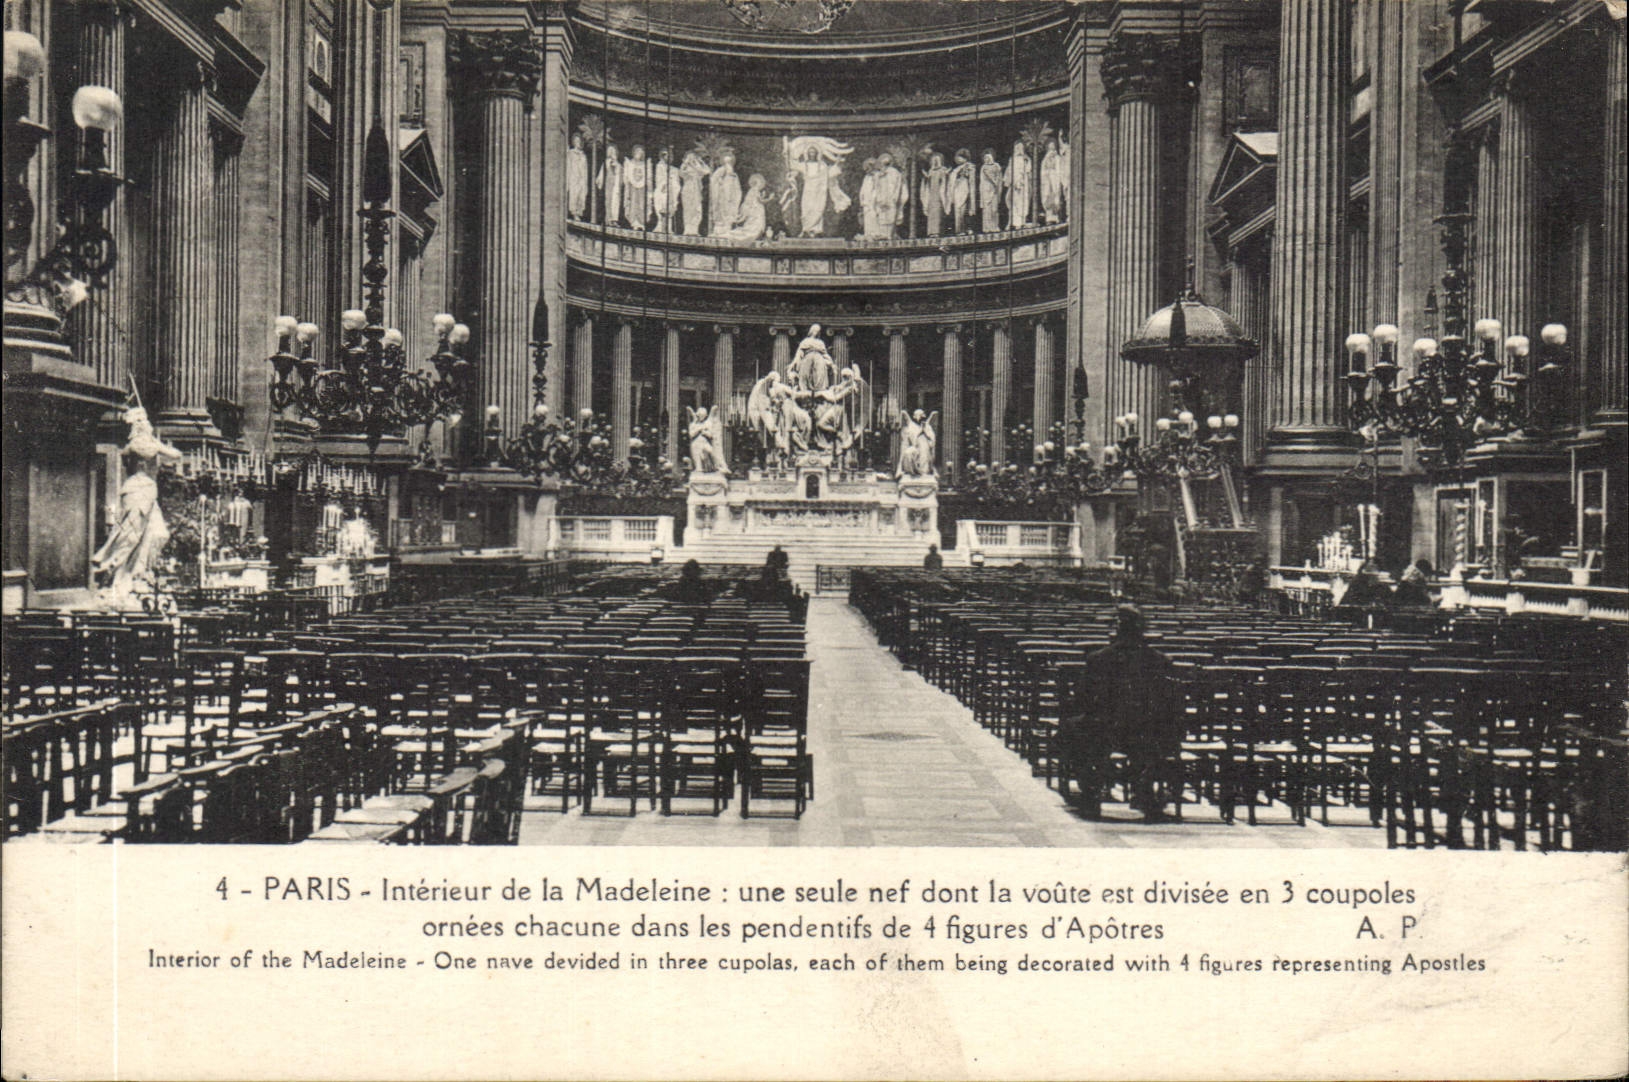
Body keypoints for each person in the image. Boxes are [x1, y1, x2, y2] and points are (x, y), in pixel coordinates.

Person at [1058, 605, 1181, 821]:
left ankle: (1090, 793)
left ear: (1117, 630)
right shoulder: (1160, 660)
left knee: (1070, 730)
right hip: (1148, 733)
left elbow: (1083, 699)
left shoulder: (1098, 659)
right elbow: (1171, 703)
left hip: (1107, 731)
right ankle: (1144, 791)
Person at [722, 173, 768, 242]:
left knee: (755, 223)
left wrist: (763, 196)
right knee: (756, 223)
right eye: (759, 182)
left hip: (756, 209)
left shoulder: (753, 190)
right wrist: (769, 198)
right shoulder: (755, 190)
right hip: (756, 210)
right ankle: (751, 235)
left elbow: (757, 199)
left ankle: (754, 236)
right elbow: (760, 201)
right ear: (756, 183)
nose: (760, 184)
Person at [709, 151, 742, 237]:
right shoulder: (720, 171)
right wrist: (719, 181)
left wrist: (735, 196)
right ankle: (719, 228)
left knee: (729, 210)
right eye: (726, 162)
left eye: (729, 162)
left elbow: (738, 189)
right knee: (721, 209)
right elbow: (713, 179)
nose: (728, 164)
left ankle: (727, 228)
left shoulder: (734, 175)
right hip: (721, 194)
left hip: (730, 196)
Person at [678, 148, 709, 235]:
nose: (691, 159)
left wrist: (700, 162)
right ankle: (687, 229)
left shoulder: (697, 167)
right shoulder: (685, 167)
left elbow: (707, 171)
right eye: (689, 157)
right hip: (688, 189)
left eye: (693, 157)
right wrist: (685, 163)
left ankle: (695, 229)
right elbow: (680, 173)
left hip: (696, 190)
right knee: (688, 209)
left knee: (697, 209)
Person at [920, 151, 949, 236]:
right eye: (934, 160)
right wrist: (926, 177)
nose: (935, 162)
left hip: (939, 194)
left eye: (937, 160)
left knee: (938, 213)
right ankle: (931, 232)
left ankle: (938, 232)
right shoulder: (931, 171)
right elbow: (927, 183)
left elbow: (944, 182)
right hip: (931, 194)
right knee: (931, 214)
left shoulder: (942, 170)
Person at [1004, 139, 1032, 228]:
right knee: (1013, 202)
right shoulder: (1012, 159)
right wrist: (1009, 181)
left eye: (1020, 147)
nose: (1019, 149)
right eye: (1017, 147)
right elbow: (1009, 170)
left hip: (1023, 183)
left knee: (1022, 202)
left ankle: (1022, 222)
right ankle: (1014, 222)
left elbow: (1028, 169)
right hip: (1014, 183)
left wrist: (1022, 179)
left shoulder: (1026, 159)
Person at [947, 148, 976, 234]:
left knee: (966, 209)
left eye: (961, 157)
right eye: (958, 157)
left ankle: (968, 228)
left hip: (965, 188)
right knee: (958, 210)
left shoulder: (969, 166)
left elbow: (971, 180)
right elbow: (952, 179)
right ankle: (959, 229)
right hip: (957, 190)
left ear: (965, 158)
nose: (959, 159)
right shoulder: (956, 169)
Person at [622, 144, 651, 230]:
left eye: (641, 152)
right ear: (634, 153)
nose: (639, 153)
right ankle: (634, 221)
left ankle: (641, 222)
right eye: (637, 151)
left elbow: (648, 177)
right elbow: (627, 176)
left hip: (642, 188)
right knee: (633, 203)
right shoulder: (630, 163)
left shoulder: (645, 164)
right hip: (633, 187)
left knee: (642, 204)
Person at [1039, 136, 1064, 225]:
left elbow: (1059, 170)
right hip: (1047, 180)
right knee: (1047, 197)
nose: (1051, 149)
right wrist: (1046, 173)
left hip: (1055, 179)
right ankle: (1048, 217)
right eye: (1050, 147)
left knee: (1056, 197)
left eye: (1053, 147)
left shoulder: (1057, 158)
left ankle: (1056, 217)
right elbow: (1042, 171)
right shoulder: (1045, 159)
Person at [978, 148, 1003, 233]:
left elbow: (999, 178)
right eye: (985, 158)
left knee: (994, 209)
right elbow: (982, 180)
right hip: (986, 190)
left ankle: (995, 226)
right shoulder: (983, 167)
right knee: (987, 210)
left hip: (994, 190)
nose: (987, 159)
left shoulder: (996, 166)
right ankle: (987, 227)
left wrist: (997, 185)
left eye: (988, 157)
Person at [597, 143, 623, 226]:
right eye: (610, 151)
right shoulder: (606, 163)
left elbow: (621, 175)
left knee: (615, 202)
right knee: (608, 201)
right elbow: (602, 173)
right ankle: (608, 219)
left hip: (616, 186)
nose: (612, 153)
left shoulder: (619, 165)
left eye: (613, 151)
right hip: (608, 185)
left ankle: (615, 220)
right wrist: (599, 181)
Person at [567, 132, 589, 220]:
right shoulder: (570, 153)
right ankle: (574, 213)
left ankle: (579, 212)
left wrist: (585, 181)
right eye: (576, 141)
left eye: (579, 141)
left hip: (582, 178)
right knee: (574, 195)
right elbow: (568, 165)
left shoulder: (583, 155)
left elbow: (585, 169)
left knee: (581, 195)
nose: (578, 143)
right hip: (574, 177)